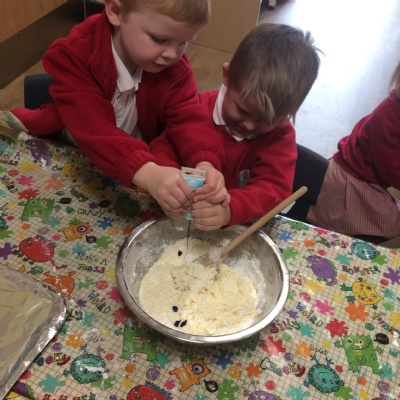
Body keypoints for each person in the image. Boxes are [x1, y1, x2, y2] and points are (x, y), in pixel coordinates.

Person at [1, 0, 227, 217]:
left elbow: (189, 116)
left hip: (133, 169)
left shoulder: (174, 68)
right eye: (160, 39)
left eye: (184, 42)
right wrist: (149, 174)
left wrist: (204, 161)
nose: (172, 54)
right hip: (73, 160)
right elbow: (94, 129)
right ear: (116, 11)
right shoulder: (76, 55)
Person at [150, 23, 322, 230]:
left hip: (238, 225)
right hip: (178, 219)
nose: (249, 125)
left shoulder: (280, 136)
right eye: (242, 110)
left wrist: (230, 210)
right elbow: (162, 147)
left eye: (265, 120)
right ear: (227, 76)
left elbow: (272, 190)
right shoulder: (193, 110)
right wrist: (170, 182)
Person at [307, 60, 400, 239]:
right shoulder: (389, 118)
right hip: (352, 183)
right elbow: (392, 170)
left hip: (363, 177)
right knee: (391, 221)